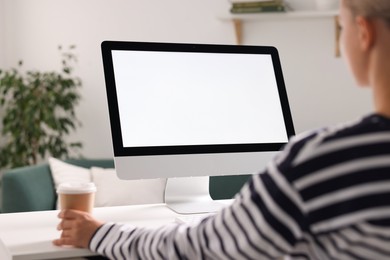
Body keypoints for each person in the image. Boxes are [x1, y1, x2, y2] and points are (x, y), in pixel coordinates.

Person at [54, 0, 390, 258]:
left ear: (364, 33)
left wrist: (97, 234)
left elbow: (202, 249)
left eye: (341, 27)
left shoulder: (323, 162)